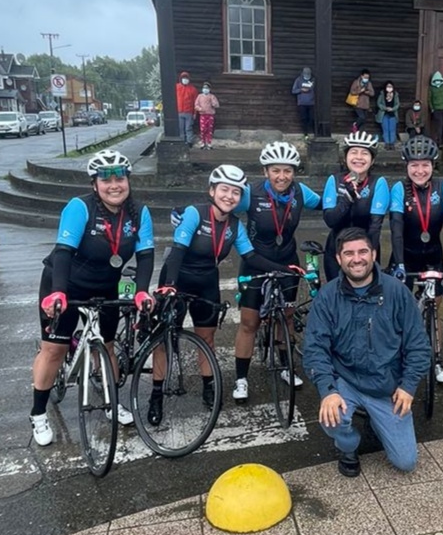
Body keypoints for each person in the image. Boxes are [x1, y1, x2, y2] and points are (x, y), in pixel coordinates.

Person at [29, 149, 155, 446]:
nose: (114, 185)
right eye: (106, 179)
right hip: (65, 284)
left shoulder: (139, 213)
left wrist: (141, 290)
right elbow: (63, 252)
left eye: (120, 178)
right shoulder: (80, 208)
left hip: (105, 286)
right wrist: (58, 292)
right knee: (54, 350)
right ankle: (38, 413)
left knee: (107, 347)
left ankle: (112, 403)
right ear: (94, 184)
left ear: (128, 181)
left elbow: (146, 255)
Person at [159, 164, 298, 416]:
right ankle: (156, 394)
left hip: (207, 280)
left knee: (207, 338)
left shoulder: (235, 225)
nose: (229, 196)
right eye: (224, 190)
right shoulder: (194, 213)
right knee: (165, 338)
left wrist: (285, 269)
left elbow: (251, 256)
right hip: (177, 278)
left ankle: (208, 387)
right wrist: (169, 285)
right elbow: (177, 251)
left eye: (235, 192)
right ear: (212, 191)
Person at [302, 227, 430, 477]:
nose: (357, 259)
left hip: (386, 385)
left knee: (406, 462)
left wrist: (408, 385)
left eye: (363, 252)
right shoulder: (327, 296)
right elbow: (315, 348)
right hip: (345, 380)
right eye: (349, 253)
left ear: (373, 254)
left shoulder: (397, 292)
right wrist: (328, 390)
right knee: (332, 418)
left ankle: (377, 420)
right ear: (339, 259)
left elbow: (418, 344)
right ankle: (348, 446)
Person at [232, 142, 322, 404]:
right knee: (249, 323)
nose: (282, 176)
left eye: (287, 170)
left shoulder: (301, 192)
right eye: (275, 170)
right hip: (254, 263)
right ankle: (241, 378)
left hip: (287, 261)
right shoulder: (250, 193)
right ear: (265, 171)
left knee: (287, 317)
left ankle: (285, 366)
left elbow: (328, 204)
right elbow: (223, 206)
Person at [388, 135, 443, 384]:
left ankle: (436, 360)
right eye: (414, 165)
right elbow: (396, 230)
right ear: (406, 166)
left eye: (425, 165)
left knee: (434, 308)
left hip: (433, 255)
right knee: (399, 312)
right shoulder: (398, 189)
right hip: (406, 255)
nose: (420, 170)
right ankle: (398, 359)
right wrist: (399, 264)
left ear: (433, 165)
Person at [321, 130, 389, 282]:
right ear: (345, 158)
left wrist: (370, 254)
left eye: (364, 153)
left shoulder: (378, 183)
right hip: (337, 248)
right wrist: (347, 197)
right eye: (353, 152)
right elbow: (330, 220)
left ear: (372, 160)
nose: (359, 157)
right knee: (336, 292)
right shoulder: (334, 180)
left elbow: (375, 226)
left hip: (366, 248)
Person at [428, 71, 443, 146]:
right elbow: (429, 99)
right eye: (436, 80)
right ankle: (439, 141)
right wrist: (432, 108)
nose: (437, 81)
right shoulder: (432, 88)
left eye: (438, 80)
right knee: (439, 125)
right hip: (437, 109)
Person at [194, 81, 220, 149]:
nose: (205, 89)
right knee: (203, 129)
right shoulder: (199, 96)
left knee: (209, 129)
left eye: (207, 88)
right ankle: (203, 142)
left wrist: (214, 104)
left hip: (210, 115)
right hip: (203, 115)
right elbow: (196, 105)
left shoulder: (212, 96)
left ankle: (209, 142)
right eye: (204, 88)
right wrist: (200, 109)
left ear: (209, 89)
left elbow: (217, 105)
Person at [291, 66, 316, 136]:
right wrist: (301, 90)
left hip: (311, 103)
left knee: (312, 118)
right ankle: (305, 134)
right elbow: (293, 91)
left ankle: (314, 133)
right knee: (304, 118)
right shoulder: (298, 80)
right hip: (302, 103)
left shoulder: (313, 80)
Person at [376, 81, 400, 149]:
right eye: (388, 86)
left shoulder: (395, 94)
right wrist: (385, 108)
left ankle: (392, 143)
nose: (389, 88)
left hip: (393, 114)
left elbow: (397, 104)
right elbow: (379, 103)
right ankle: (387, 143)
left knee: (392, 129)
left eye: (390, 86)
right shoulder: (382, 94)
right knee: (385, 129)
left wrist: (392, 109)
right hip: (384, 114)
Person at [175, 71, 197, 146]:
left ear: (189, 79)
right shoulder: (176, 87)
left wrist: (195, 113)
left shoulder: (193, 89)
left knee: (188, 128)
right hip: (179, 112)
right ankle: (182, 141)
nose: (185, 79)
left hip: (189, 112)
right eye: (183, 78)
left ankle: (189, 141)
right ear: (180, 79)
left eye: (186, 78)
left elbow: (195, 102)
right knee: (180, 128)